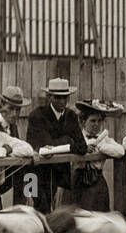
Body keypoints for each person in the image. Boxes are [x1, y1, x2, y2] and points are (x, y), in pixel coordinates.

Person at [25, 77, 87, 213]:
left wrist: (56, 146)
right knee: (34, 211)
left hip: (58, 174)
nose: (62, 101)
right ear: (49, 97)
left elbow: (82, 147)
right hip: (33, 174)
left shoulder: (71, 116)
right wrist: (68, 140)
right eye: (58, 98)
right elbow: (46, 144)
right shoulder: (37, 115)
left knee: (54, 214)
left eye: (65, 98)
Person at [68, 99, 125, 211]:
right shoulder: (76, 138)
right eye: (92, 121)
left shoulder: (103, 139)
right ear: (83, 122)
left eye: (99, 121)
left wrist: (101, 147)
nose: (96, 124)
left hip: (96, 182)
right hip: (76, 181)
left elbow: (120, 151)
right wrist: (83, 148)